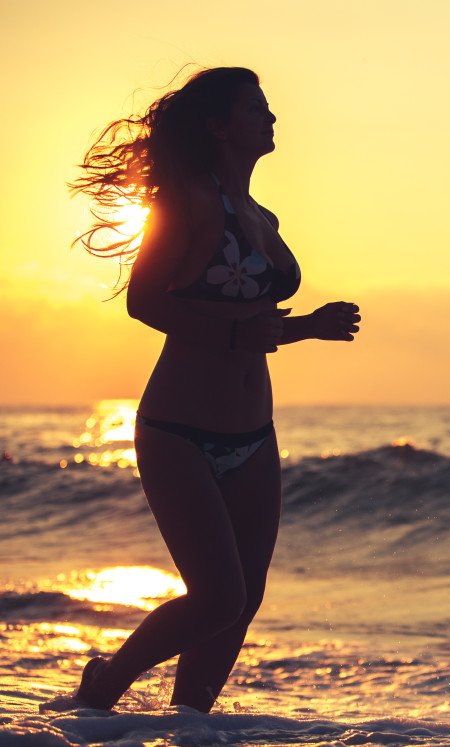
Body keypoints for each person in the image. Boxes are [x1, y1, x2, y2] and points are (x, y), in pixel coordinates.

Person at [43, 66, 360, 714]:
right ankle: (106, 683)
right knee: (216, 595)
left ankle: (190, 722)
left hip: (253, 432)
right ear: (218, 126)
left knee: (243, 597)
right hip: (179, 430)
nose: (271, 118)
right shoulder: (189, 200)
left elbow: (254, 329)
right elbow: (143, 301)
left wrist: (307, 329)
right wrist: (270, 330)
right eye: (255, 109)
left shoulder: (261, 215)